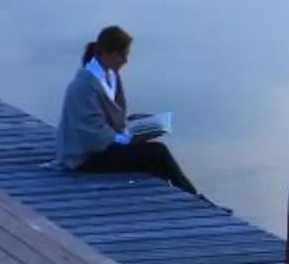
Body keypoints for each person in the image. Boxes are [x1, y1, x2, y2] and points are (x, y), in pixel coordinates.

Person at [57, 26, 196, 192]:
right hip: (83, 157)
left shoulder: (106, 76)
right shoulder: (86, 85)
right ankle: (191, 194)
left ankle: (177, 193)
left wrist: (135, 123)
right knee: (157, 152)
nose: (125, 61)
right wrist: (131, 139)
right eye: (121, 55)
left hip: (97, 150)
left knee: (151, 158)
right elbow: (93, 135)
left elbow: (109, 120)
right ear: (107, 53)